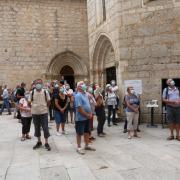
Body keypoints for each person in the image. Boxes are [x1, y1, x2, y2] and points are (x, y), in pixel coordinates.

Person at [29, 79, 51, 151]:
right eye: (37, 83)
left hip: (43, 113)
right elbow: (29, 102)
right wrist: (34, 107)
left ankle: (46, 142)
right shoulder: (32, 92)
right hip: (35, 113)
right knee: (37, 128)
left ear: (42, 84)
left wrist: (44, 107)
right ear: (35, 84)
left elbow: (48, 101)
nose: (38, 84)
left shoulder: (45, 92)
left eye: (40, 83)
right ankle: (39, 141)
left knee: (45, 128)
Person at [75, 81, 96, 155]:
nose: (83, 85)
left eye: (83, 84)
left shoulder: (85, 94)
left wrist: (90, 113)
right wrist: (87, 115)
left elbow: (88, 105)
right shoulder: (78, 95)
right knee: (79, 133)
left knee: (87, 132)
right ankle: (79, 147)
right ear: (78, 87)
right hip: (80, 118)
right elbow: (79, 108)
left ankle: (86, 145)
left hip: (87, 117)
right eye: (81, 84)